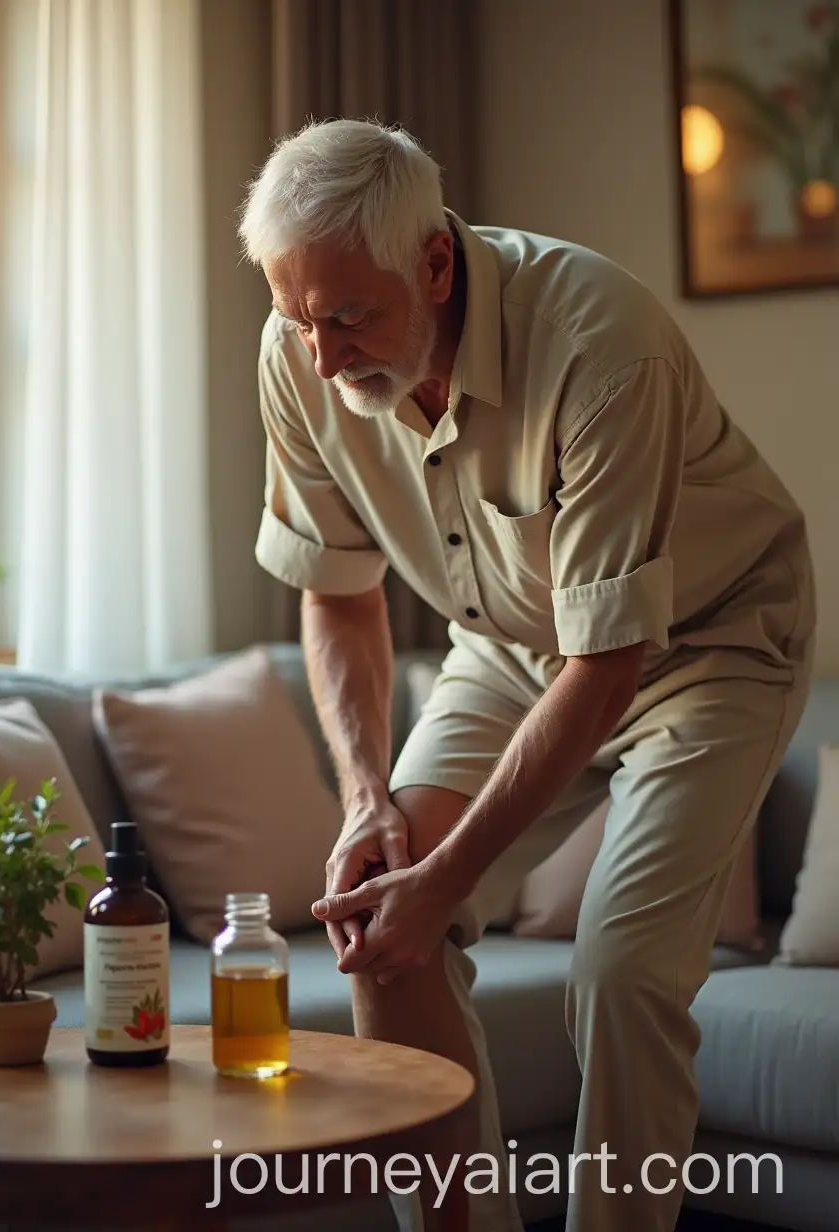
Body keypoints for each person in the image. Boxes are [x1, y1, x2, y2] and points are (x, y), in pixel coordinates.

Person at [237, 118, 816, 1232]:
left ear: (435, 263)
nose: (320, 354)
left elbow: (606, 662)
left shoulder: (602, 340)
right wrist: (368, 798)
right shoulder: (298, 352)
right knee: (380, 928)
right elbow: (337, 590)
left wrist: (449, 876)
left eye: (348, 315)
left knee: (623, 971)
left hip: (711, 643)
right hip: (507, 645)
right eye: (293, 315)